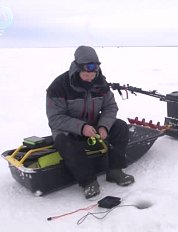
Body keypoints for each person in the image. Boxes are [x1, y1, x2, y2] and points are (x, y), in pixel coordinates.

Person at [46, 45, 134, 199]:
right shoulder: (58, 86)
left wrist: (103, 126)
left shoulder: (101, 83)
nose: (90, 78)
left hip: (94, 125)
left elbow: (110, 107)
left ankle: (115, 171)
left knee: (120, 126)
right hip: (69, 130)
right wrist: (81, 127)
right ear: (77, 69)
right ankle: (88, 182)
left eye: (92, 75)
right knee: (63, 141)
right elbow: (55, 118)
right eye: (86, 75)